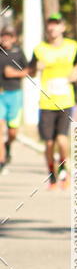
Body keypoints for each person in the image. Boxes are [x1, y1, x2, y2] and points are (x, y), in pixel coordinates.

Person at [30, 12, 77, 188]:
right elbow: (30, 70)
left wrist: (76, 71)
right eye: (50, 24)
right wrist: (36, 67)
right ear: (47, 28)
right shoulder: (39, 49)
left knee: (62, 139)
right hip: (46, 102)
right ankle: (52, 173)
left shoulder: (72, 46)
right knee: (49, 143)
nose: (53, 27)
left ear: (62, 27)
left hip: (66, 100)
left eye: (56, 24)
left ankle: (64, 170)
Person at [0, 24, 29, 174]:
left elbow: (29, 70)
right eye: (3, 35)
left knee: (13, 132)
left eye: (8, 36)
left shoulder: (18, 52)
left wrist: (15, 73)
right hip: (0, 95)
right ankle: (1, 161)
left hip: (15, 94)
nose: (5, 39)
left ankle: (8, 145)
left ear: (14, 38)